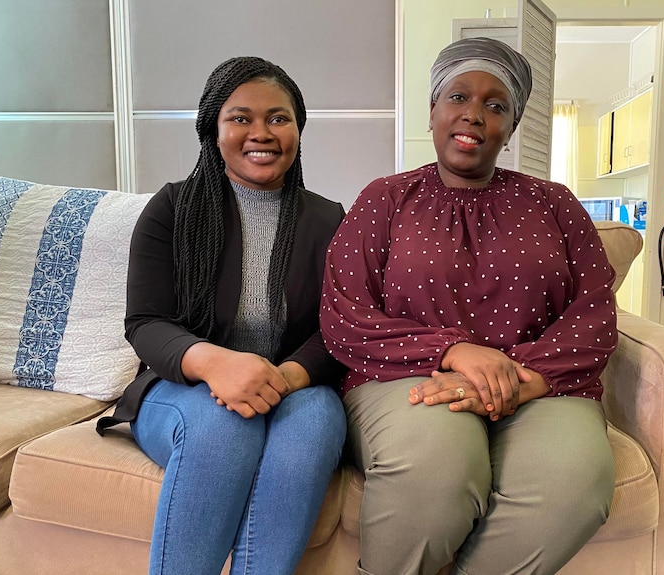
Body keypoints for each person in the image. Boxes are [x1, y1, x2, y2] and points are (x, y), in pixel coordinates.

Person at [320, 37, 617, 575]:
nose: (473, 115)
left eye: (495, 105)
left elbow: (594, 315)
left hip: (541, 387)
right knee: (438, 465)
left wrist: (522, 378)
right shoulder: (384, 198)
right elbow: (345, 316)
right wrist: (454, 352)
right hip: (403, 380)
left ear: (512, 123)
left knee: (574, 484)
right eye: (458, 97)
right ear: (433, 110)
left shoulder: (554, 203)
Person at [96, 56, 347, 575]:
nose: (262, 132)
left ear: (299, 128)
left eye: (279, 118)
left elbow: (340, 325)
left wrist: (285, 376)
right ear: (213, 128)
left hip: (291, 384)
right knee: (225, 427)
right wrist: (215, 364)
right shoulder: (172, 208)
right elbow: (145, 322)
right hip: (181, 387)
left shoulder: (328, 218)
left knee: (318, 421)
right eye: (241, 118)